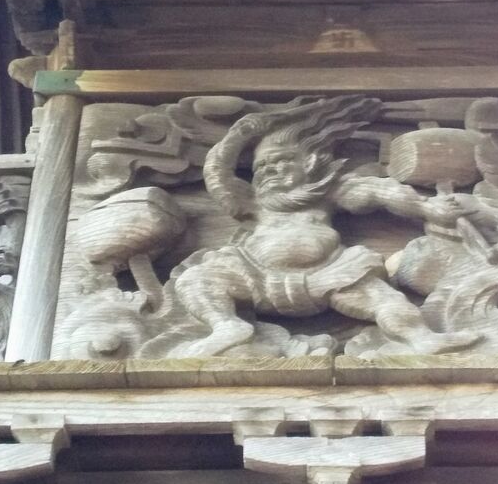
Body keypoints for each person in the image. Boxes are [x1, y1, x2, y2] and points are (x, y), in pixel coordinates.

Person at [168, 96, 480, 356]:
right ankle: (226, 326)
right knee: (198, 278)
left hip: (328, 274)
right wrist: (237, 136)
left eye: (282, 161)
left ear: (308, 163)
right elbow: (217, 173)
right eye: (262, 166)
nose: (271, 169)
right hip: (255, 275)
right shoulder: (252, 202)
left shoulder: (329, 192)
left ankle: (422, 338)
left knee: (384, 299)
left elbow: (381, 191)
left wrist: (427, 207)